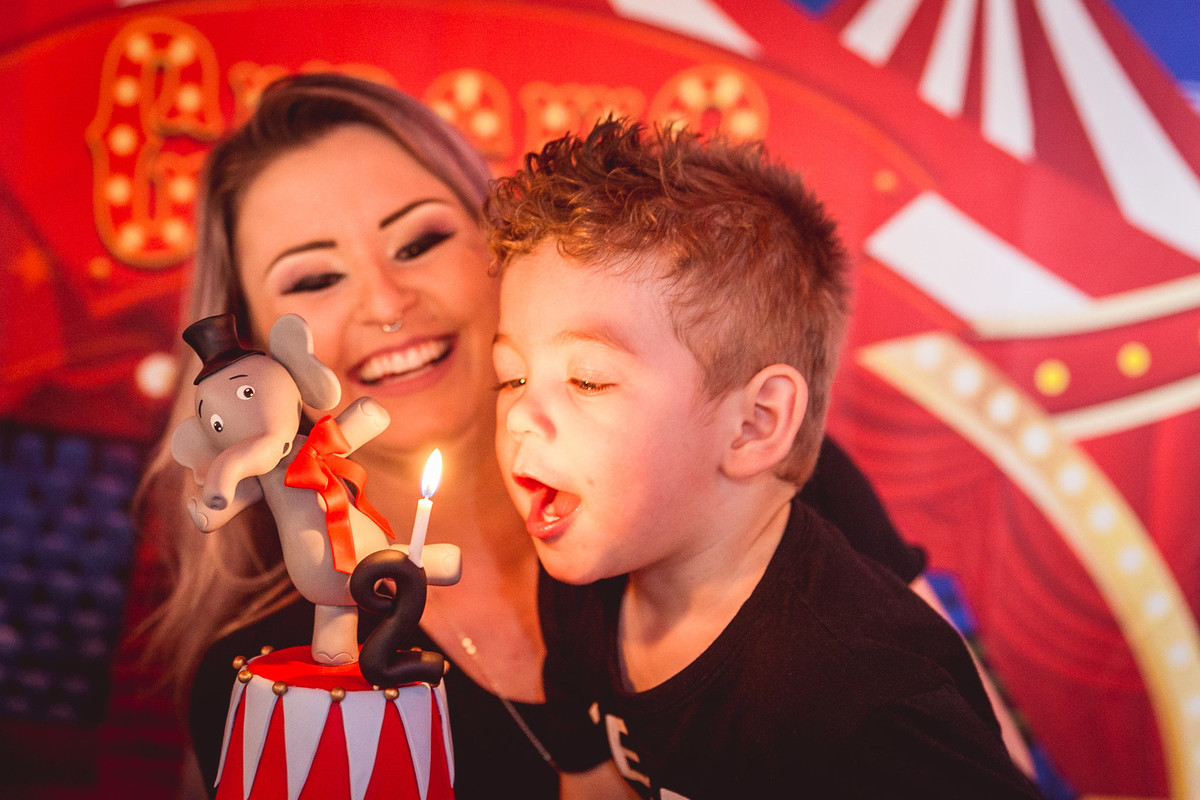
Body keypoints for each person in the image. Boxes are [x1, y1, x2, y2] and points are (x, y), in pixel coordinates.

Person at [135, 74, 1027, 799]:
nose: (384, 302)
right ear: (253, 349)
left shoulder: (755, 485)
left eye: (419, 242)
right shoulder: (279, 679)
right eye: (315, 279)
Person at [485, 117, 1042, 798]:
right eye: (511, 377)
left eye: (588, 380)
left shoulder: (865, 696)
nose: (519, 415)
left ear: (754, 424)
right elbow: (591, 782)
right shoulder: (578, 586)